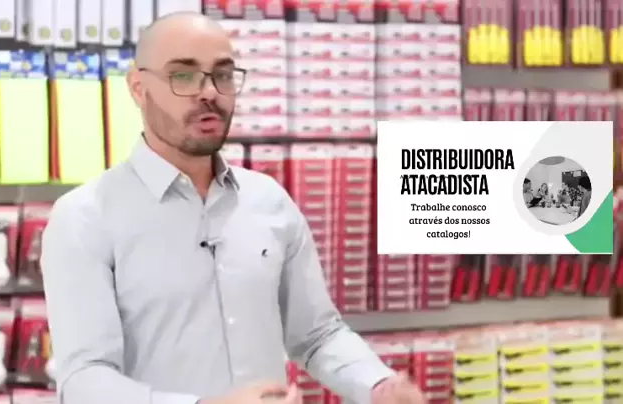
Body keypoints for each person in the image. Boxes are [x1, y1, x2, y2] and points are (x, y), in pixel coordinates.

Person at [40, 11, 425, 404]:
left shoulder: (268, 201)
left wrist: (377, 385)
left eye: (222, 75)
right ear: (139, 88)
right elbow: (84, 381)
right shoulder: (84, 218)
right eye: (184, 75)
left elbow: (316, 334)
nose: (209, 92)